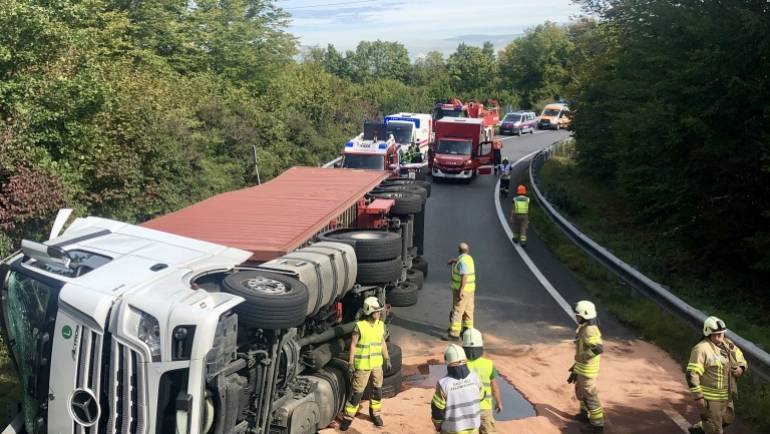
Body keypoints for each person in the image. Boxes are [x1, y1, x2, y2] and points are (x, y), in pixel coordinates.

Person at [686, 316, 747, 434]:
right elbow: (691, 374)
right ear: (708, 333)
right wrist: (698, 397)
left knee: (728, 419)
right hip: (711, 399)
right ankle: (708, 426)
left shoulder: (728, 344)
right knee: (715, 430)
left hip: (726, 395)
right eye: (717, 334)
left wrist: (741, 368)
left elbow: (740, 356)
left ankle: (701, 428)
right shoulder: (701, 349)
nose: (720, 337)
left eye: (722, 333)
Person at [340, 297, 391, 431]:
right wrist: (351, 363)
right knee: (357, 393)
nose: (379, 314)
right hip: (362, 365)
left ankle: (375, 414)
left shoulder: (380, 325)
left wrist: (387, 358)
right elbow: (353, 345)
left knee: (377, 391)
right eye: (377, 311)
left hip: (377, 365)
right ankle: (347, 418)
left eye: (380, 311)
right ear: (368, 311)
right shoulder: (360, 326)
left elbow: (382, 343)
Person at [568, 300, 604, 433]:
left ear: (585, 315)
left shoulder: (590, 330)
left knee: (590, 396)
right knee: (580, 392)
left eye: (578, 315)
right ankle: (584, 414)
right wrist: (576, 364)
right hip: (582, 368)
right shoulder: (585, 326)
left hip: (588, 371)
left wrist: (581, 357)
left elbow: (598, 349)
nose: (576, 317)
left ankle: (597, 425)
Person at [431, 344, 484, 434]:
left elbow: (437, 410)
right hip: (473, 429)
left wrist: (438, 425)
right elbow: (481, 397)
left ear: (447, 361)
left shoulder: (443, 384)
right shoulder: (475, 378)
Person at [462, 328, 503, 433]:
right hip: (485, 408)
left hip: (467, 409)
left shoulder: (461, 365)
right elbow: (494, 387)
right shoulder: (488, 364)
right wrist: (498, 402)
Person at [443, 242, 476, 341]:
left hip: (463, 290)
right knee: (468, 310)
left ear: (458, 250)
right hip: (470, 290)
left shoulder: (462, 261)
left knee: (457, 310)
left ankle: (454, 334)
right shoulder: (468, 258)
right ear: (467, 251)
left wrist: (460, 290)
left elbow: (464, 275)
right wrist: (454, 261)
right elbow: (461, 261)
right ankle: (467, 331)